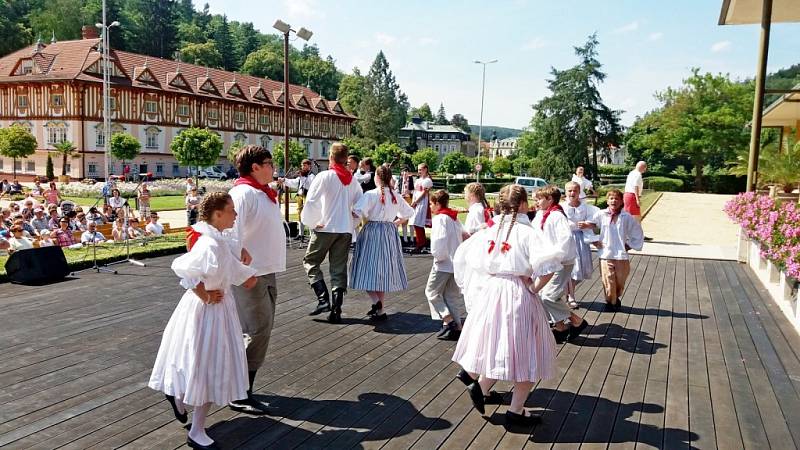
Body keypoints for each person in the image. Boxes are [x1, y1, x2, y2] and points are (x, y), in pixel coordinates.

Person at [148, 192, 258, 450]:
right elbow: (185, 269)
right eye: (231, 210)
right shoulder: (209, 242)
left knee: (202, 363)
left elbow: (234, 270)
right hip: (209, 310)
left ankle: (180, 397)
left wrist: (248, 272)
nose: (235, 214)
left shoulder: (217, 239)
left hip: (218, 307)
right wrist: (205, 294)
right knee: (208, 366)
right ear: (218, 214)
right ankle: (196, 430)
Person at [451, 184, 563, 425]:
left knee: (497, 342)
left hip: (493, 291)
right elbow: (550, 267)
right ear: (522, 204)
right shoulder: (528, 232)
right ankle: (516, 409)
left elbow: (468, 257)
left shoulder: (492, 230)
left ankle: (480, 385)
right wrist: (533, 287)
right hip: (517, 293)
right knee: (528, 350)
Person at [227, 144, 287, 415]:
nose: (273, 168)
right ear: (255, 167)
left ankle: (244, 388)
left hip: (266, 270)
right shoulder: (242, 193)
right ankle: (239, 392)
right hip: (251, 274)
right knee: (256, 330)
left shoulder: (261, 194)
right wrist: (242, 272)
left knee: (261, 330)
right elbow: (230, 233)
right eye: (269, 163)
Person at [301, 142, 364, 323]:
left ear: (331, 157)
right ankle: (336, 310)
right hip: (344, 230)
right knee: (338, 268)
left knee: (311, 261)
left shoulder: (325, 176)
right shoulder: (353, 181)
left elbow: (311, 201)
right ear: (346, 159)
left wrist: (312, 222)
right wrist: (352, 222)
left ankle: (323, 300)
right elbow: (360, 206)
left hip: (325, 227)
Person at [349, 164, 415, 321]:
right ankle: (380, 310)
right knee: (382, 271)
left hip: (372, 232)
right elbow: (409, 213)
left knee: (363, 268)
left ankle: (376, 301)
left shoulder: (371, 194)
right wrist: (395, 223)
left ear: (376, 177)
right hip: (389, 233)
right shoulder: (396, 196)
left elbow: (356, 212)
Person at [533, 186, 587, 342]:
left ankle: (576, 321)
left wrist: (555, 257)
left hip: (561, 261)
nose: (536, 202)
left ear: (550, 200)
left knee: (548, 296)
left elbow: (565, 239)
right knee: (545, 294)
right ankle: (560, 327)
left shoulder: (556, 216)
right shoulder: (542, 215)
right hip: (549, 262)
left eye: (539, 199)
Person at [425, 190, 468, 340]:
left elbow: (438, 241)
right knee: (451, 295)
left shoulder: (441, 218)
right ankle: (458, 327)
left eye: (431, 203)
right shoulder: (454, 218)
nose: (430, 207)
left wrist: (438, 256)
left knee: (431, 292)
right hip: (455, 263)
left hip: (443, 263)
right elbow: (466, 235)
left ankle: (447, 319)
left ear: (437, 203)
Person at [594, 189, 644, 309]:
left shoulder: (626, 217)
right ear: (607, 201)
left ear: (621, 201)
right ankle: (611, 302)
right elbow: (590, 226)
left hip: (621, 255)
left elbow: (637, 232)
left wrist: (629, 245)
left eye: (617, 198)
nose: (614, 201)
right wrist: (594, 240)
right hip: (606, 253)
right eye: (611, 198)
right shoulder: (601, 215)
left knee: (620, 280)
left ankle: (615, 297)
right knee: (608, 280)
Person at [563, 181, 601, 309]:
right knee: (572, 269)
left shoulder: (586, 207)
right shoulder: (562, 207)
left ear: (579, 192)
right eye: (569, 191)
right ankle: (570, 296)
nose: (572, 193)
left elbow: (597, 221)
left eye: (575, 191)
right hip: (567, 240)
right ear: (566, 192)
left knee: (580, 269)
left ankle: (568, 293)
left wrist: (587, 224)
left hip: (581, 239)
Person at [278, 159, 315, 240]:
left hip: (307, 197)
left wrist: (303, 176)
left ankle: (312, 234)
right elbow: (294, 182)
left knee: (308, 215)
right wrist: (285, 180)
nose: (303, 167)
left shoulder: (312, 176)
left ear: (309, 166)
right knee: (300, 215)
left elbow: (311, 185)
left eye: (305, 165)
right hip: (300, 196)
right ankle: (301, 234)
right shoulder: (301, 176)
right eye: (302, 165)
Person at [409, 163, 433, 254]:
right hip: (416, 201)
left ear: (426, 169)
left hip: (422, 202)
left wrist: (416, 202)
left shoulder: (427, 180)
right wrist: (413, 201)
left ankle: (421, 243)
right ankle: (421, 242)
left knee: (418, 222)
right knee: (415, 222)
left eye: (421, 169)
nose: (419, 171)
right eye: (418, 170)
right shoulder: (418, 180)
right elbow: (415, 192)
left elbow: (424, 193)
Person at [399, 169, 415, 246]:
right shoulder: (400, 180)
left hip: (410, 200)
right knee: (403, 219)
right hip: (402, 200)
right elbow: (397, 190)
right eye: (404, 173)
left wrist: (410, 192)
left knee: (411, 220)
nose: (405, 175)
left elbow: (414, 191)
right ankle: (405, 239)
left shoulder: (412, 180)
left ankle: (412, 238)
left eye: (406, 173)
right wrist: (400, 194)